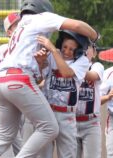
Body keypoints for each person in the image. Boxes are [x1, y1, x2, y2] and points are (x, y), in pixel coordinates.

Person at [0, 0, 99, 157]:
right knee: (50, 128)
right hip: (19, 79)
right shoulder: (41, 17)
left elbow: (43, 73)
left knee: (5, 134)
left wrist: (41, 62)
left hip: (1, 80)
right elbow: (76, 26)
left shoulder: (20, 25)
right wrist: (95, 36)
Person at [37, 30, 91, 158]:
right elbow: (39, 78)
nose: (66, 51)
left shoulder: (82, 61)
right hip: (47, 112)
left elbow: (67, 73)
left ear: (79, 51)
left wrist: (54, 51)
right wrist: (41, 62)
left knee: (67, 154)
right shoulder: (52, 55)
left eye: (72, 49)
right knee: (43, 153)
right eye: (65, 47)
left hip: (66, 115)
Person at [0, 12, 24, 156]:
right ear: (9, 32)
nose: (22, 26)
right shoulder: (3, 49)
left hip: (25, 99)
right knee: (9, 139)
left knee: (23, 140)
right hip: (9, 99)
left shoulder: (31, 44)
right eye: (17, 25)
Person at [76, 44, 104, 158]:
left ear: (95, 52)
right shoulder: (69, 66)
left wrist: (71, 68)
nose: (84, 50)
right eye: (81, 45)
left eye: (88, 47)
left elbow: (93, 76)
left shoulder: (97, 66)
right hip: (71, 120)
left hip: (91, 122)